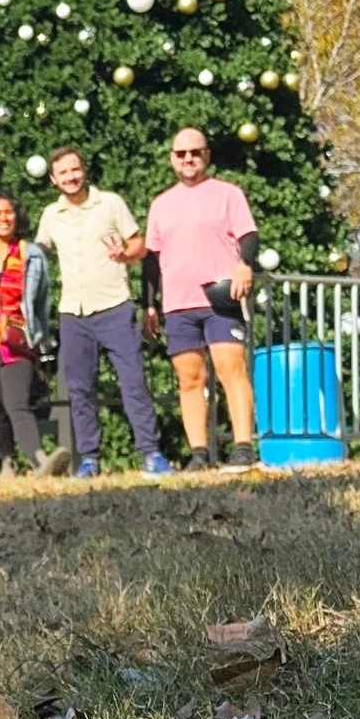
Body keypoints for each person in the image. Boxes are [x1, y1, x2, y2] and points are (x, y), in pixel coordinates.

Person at [33, 144, 174, 477]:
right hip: (73, 313)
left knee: (134, 382)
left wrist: (125, 255)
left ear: (84, 171)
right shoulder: (51, 216)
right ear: (54, 180)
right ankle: (90, 459)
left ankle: (151, 454)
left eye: (74, 170)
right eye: (63, 173)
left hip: (115, 307)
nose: (70, 177)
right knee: (80, 389)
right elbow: (38, 255)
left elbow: (139, 245)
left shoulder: (110, 203)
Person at [142, 126, 259, 467]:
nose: (188, 159)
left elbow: (248, 234)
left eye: (195, 152)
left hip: (220, 296)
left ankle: (242, 448)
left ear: (206, 156)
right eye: (181, 154)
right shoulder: (160, 204)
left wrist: (245, 264)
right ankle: (199, 453)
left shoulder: (228, 194)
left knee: (231, 370)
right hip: (178, 303)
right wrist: (149, 304)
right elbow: (151, 260)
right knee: (190, 379)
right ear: (172, 160)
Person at [0, 188, 54, 471]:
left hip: (15, 340)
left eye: (8, 212)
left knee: (17, 403)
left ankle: (39, 460)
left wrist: (38, 339)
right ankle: (7, 459)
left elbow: (41, 302)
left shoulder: (32, 255)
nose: (3, 218)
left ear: (17, 216)